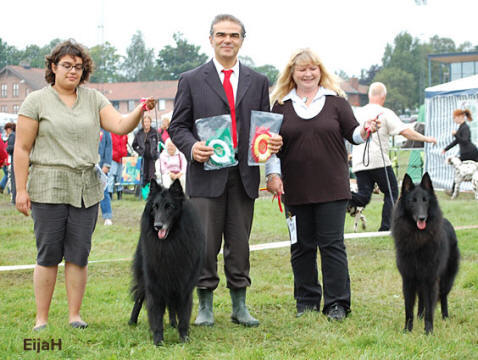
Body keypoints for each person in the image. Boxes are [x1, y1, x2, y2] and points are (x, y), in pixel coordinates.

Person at [14, 39, 155, 331]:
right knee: (48, 253)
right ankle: (41, 319)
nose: (73, 71)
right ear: (53, 67)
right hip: (48, 185)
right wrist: (21, 189)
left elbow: (119, 125)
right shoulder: (36, 101)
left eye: (78, 67)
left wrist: (140, 110)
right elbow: (22, 149)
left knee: (79, 254)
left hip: (86, 188)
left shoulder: (94, 100)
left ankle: (74, 316)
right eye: (66, 65)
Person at [169, 14, 282, 327]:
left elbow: (264, 127)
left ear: (242, 40)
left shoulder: (258, 81)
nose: (227, 40)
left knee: (240, 243)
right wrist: (192, 148)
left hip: (244, 176)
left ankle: (239, 304)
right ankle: (205, 304)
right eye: (221, 35)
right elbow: (178, 126)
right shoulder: (191, 79)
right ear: (211, 39)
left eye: (234, 35)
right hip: (206, 174)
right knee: (205, 243)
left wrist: (271, 145)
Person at [266, 48, 379, 321]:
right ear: (292, 74)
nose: (308, 74)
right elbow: (269, 147)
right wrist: (273, 175)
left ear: (321, 71)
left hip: (332, 188)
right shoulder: (280, 105)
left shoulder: (336, 101)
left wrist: (365, 130)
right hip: (295, 189)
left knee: (332, 246)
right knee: (301, 247)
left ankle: (337, 304)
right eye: (302, 69)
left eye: (313, 68)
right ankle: (306, 302)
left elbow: (353, 133)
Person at [348, 82, 436, 231]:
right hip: (378, 161)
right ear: (384, 97)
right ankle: (386, 227)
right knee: (392, 191)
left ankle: (343, 196)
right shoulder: (384, 113)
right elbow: (405, 131)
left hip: (359, 161)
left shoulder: (358, 112)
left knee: (364, 196)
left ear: (369, 95)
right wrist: (426, 139)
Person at [442, 108, 478, 195]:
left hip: (470, 152)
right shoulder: (461, 127)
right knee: (458, 171)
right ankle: (453, 190)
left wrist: (456, 135)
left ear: (460, 117)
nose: (454, 120)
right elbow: (457, 141)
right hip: (467, 152)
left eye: (454, 118)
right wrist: (446, 149)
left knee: (458, 170)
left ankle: (453, 190)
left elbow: (464, 140)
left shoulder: (465, 127)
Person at [132, 114, 159, 188]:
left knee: (152, 175)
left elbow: (160, 144)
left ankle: (153, 191)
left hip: (152, 157)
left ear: (150, 122)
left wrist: (156, 153)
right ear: (142, 123)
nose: (146, 123)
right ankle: (143, 192)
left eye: (148, 122)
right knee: (143, 174)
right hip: (143, 157)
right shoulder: (139, 133)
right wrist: (139, 151)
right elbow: (134, 145)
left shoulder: (155, 132)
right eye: (145, 122)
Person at [108, 132, 128, 200]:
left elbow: (125, 145)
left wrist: (124, 154)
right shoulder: (111, 133)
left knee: (120, 177)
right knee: (111, 177)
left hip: (121, 158)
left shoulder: (124, 134)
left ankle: (120, 195)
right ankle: (110, 195)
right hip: (113, 158)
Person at [99, 129, 113, 225]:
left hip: (101, 166)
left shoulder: (105, 130)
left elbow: (108, 147)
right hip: (86, 164)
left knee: (104, 191)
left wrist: (107, 165)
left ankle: (107, 216)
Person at [4, 122, 16, 204]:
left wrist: (7, 149)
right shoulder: (17, 135)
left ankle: (13, 199)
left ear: (9, 129)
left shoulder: (12, 136)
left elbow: (10, 148)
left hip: (13, 160)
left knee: (12, 181)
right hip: (16, 160)